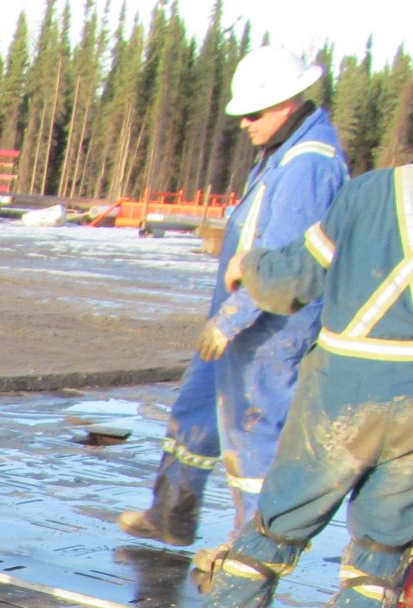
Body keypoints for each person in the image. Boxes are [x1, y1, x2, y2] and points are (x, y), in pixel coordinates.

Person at [171, 160, 413, 608]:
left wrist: (248, 265)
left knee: (276, 529)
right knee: (381, 554)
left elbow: (296, 280)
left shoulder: (373, 192)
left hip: (345, 387)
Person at [120, 46, 346, 548]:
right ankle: (172, 513)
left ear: (286, 104)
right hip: (239, 318)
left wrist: (232, 319)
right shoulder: (280, 154)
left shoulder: (308, 164)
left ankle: (249, 552)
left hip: (271, 326)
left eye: (253, 113)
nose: (244, 122)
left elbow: (284, 261)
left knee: (253, 434)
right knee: (195, 409)